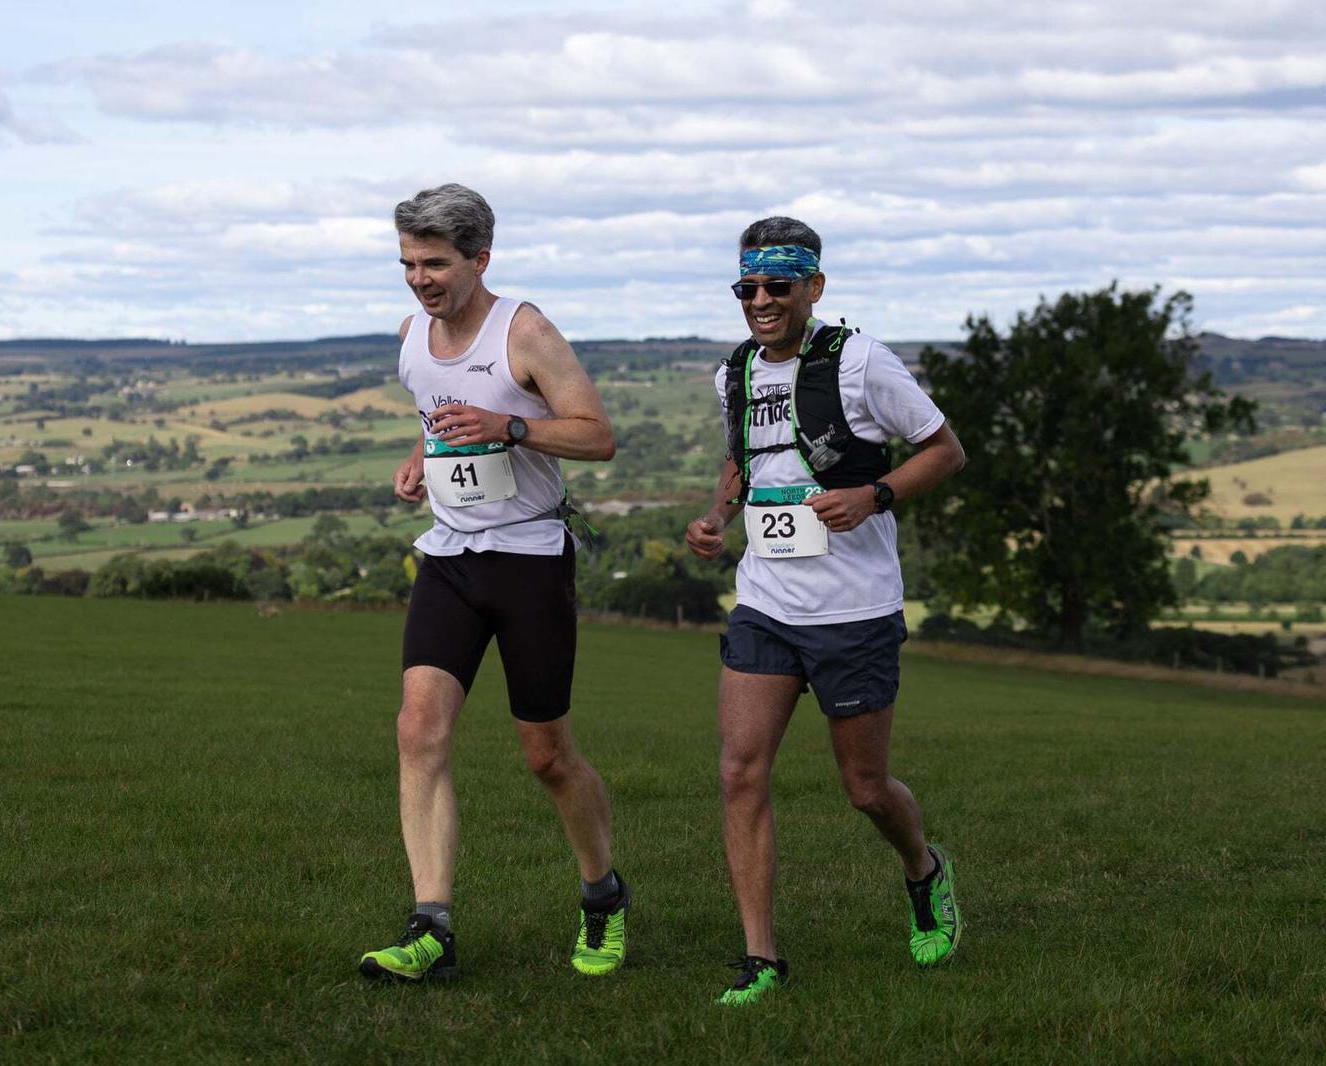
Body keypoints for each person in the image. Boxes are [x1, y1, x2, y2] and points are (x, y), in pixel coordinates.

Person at [685, 216, 967, 1006]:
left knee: (866, 789)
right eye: (749, 287)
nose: (762, 300)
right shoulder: (734, 372)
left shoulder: (862, 363)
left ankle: (923, 868)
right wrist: (719, 520)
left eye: (779, 285)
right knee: (740, 772)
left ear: (814, 285)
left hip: (854, 611)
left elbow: (946, 450)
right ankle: (761, 959)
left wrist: (873, 494)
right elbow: (743, 461)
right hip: (767, 604)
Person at [358, 183, 629, 983]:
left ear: (481, 259)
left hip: (529, 561)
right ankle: (430, 929)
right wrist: (420, 461)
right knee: (418, 729)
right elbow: (436, 416)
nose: (419, 279)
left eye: (435, 263)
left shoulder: (528, 331)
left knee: (546, 755)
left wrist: (509, 425)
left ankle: (603, 894)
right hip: (448, 557)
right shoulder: (413, 336)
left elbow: (597, 436)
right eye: (407, 262)